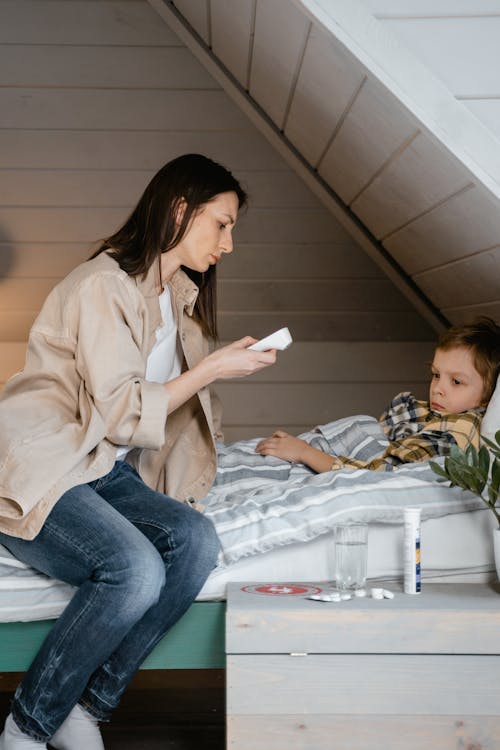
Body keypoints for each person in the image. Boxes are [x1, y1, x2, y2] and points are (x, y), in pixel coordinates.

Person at [0, 154, 276, 750]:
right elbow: (126, 411)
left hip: (101, 468)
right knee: (134, 569)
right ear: (180, 210)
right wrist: (212, 369)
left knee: (196, 540)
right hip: (45, 464)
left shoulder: (177, 297)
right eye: (221, 224)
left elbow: (168, 424)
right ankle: (27, 725)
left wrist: (210, 366)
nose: (229, 243)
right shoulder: (102, 285)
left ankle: (87, 708)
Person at [256, 317, 500, 472]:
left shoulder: (458, 430)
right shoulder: (421, 410)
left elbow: (381, 474)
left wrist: (304, 452)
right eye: (436, 374)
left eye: (456, 381)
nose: (438, 388)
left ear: (488, 395)